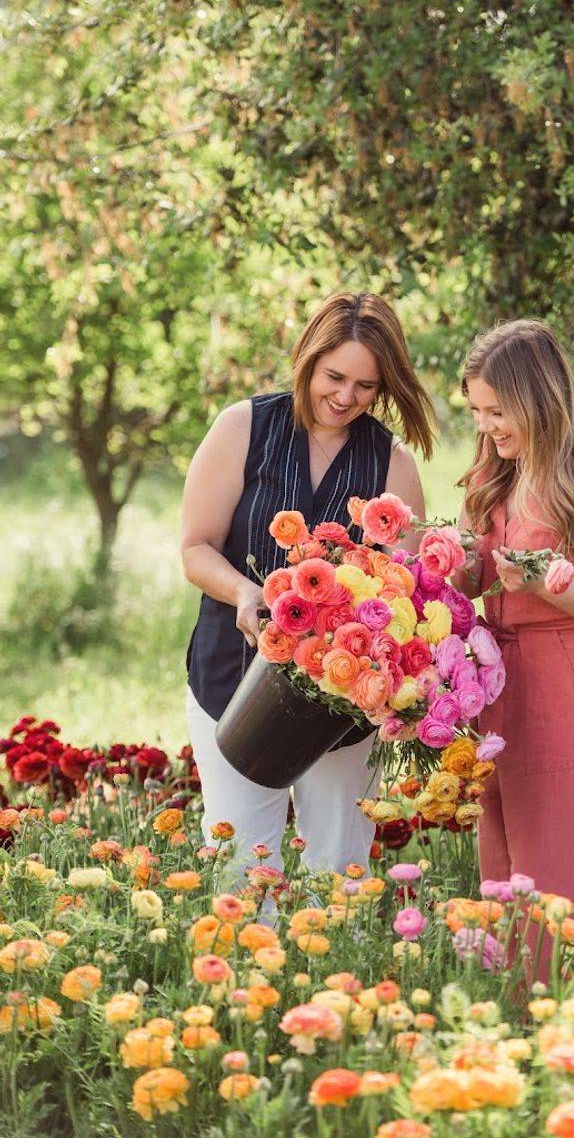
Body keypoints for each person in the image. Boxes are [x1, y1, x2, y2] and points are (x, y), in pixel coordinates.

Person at [181, 292, 433, 892]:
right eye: (335, 376)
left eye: (367, 386)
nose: (346, 397)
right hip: (233, 679)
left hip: (345, 705)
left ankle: (339, 982)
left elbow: (410, 593)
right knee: (240, 870)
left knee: (341, 870)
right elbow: (195, 548)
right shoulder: (243, 428)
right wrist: (245, 594)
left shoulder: (392, 463)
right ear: (307, 359)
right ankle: (247, 984)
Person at [452, 319, 574, 936]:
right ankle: (520, 1025)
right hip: (500, 699)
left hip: (571, 698)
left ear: (537, 397)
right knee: (509, 887)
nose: (486, 426)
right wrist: (437, 564)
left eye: (497, 410)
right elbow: (473, 579)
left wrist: (550, 588)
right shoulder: (497, 474)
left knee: (568, 892)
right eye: (478, 411)